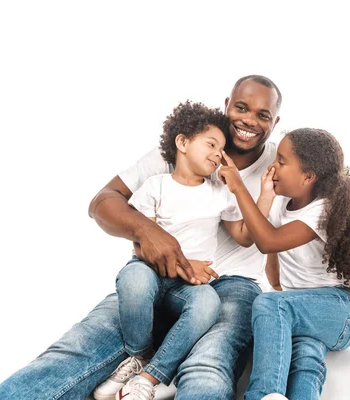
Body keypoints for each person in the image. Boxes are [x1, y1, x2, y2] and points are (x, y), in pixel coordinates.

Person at [0, 75, 293, 400]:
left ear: (275, 122)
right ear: (226, 106)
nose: (249, 120)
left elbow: (268, 224)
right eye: (241, 107)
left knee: (207, 366)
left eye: (263, 115)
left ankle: (153, 376)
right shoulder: (186, 147)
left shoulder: (279, 165)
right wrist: (147, 230)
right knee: (75, 350)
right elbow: (103, 200)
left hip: (230, 285)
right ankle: (141, 357)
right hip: (158, 274)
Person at [93, 101, 273, 400]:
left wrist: (263, 194)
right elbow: (142, 245)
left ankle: (151, 376)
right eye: (211, 144)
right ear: (183, 142)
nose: (218, 154)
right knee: (133, 281)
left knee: (208, 305)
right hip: (150, 270)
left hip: (191, 285)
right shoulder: (155, 186)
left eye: (221, 149)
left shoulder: (218, 194)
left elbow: (244, 236)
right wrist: (186, 264)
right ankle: (140, 354)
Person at [218, 128, 350, 399]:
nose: (273, 166)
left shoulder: (322, 211)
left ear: (307, 176)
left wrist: (239, 188)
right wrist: (267, 199)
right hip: (302, 308)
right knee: (305, 356)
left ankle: (262, 394)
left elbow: (268, 242)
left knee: (269, 303)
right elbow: (273, 264)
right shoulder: (283, 204)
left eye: (281, 161)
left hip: (341, 311)